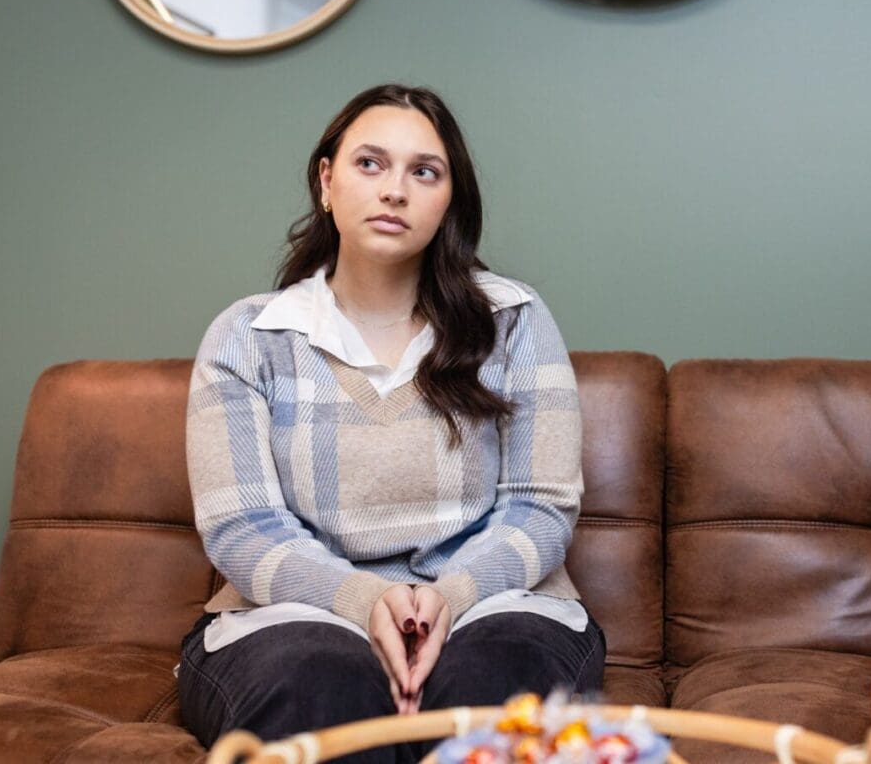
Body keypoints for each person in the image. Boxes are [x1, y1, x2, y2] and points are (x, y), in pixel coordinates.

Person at [177, 85, 604, 762]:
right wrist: (362, 599)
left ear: (448, 198)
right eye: (369, 164)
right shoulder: (247, 336)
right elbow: (241, 527)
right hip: (294, 616)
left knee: (490, 689)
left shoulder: (514, 320)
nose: (394, 190)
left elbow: (540, 508)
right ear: (327, 181)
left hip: (494, 605)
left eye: (423, 172)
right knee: (321, 688)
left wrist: (450, 597)